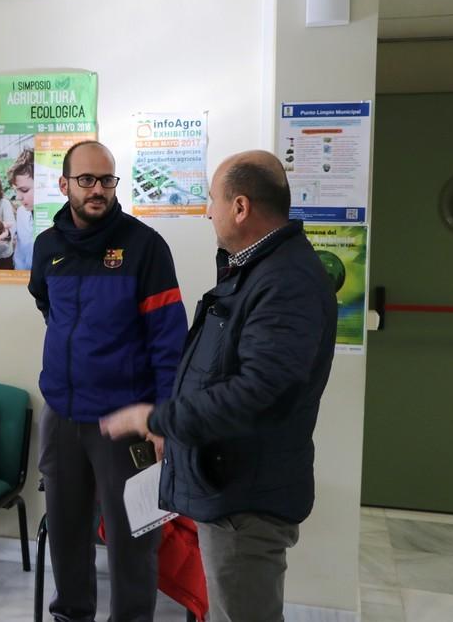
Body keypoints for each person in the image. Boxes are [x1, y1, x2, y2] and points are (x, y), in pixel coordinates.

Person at [101, 150, 338, 622]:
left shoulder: (284, 281)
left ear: (241, 207)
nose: (209, 212)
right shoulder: (255, 269)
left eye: (213, 200)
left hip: (246, 498)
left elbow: (257, 392)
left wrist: (158, 417)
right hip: (230, 485)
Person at [28, 140, 188, 622]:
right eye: (86, 180)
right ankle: (70, 614)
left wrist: (162, 419)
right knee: (66, 532)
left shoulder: (145, 247)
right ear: (64, 185)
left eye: (106, 180)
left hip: (126, 421)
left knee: (133, 538)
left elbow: (169, 341)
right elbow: (48, 307)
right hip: (61, 414)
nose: (97, 189)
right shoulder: (48, 247)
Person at [9, 148, 35, 271]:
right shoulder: (21, 213)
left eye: (24, 190)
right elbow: (20, 253)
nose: (18, 197)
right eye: (16, 190)